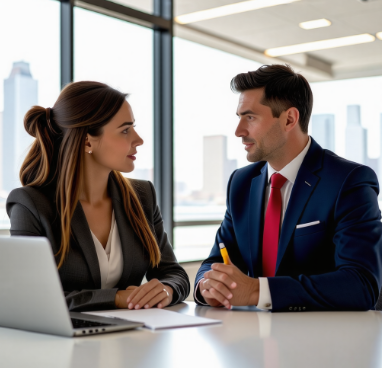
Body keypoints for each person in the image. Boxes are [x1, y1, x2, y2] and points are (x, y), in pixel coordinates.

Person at [194, 64, 382, 312]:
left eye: (250, 117)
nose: (239, 131)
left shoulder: (349, 180)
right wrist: (207, 286)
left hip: (326, 343)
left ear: (289, 119)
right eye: (239, 117)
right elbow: (216, 260)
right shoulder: (241, 183)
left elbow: (361, 284)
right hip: (252, 339)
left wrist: (256, 291)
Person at [7, 81, 190, 312]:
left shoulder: (143, 196)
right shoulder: (31, 204)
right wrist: (116, 298)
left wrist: (166, 289)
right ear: (87, 140)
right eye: (125, 130)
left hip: (133, 339)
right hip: (65, 342)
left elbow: (173, 273)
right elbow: (30, 296)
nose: (139, 139)